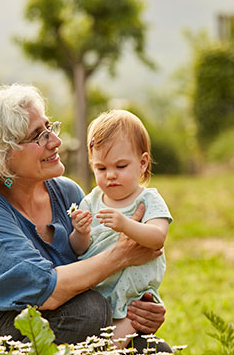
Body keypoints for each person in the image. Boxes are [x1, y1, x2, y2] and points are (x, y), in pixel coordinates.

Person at [0, 84, 171, 354]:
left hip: (49, 321)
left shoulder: (67, 192)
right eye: (38, 136)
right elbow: (45, 291)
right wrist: (123, 254)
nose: (55, 141)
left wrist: (140, 305)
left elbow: (94, 266)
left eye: (50, 128)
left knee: (155, 350)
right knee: (89, 312)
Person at [69, 109, 172, 349]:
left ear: (142, 163)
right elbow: (78, 249)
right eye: (101, 168)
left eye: (121, 166)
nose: (111, 176)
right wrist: (80, 233)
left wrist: (126, 224)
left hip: (132, 296)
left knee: (110, 346)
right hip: (98, 289)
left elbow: (157, 238)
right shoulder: (90, 201)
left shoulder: (147, 200)